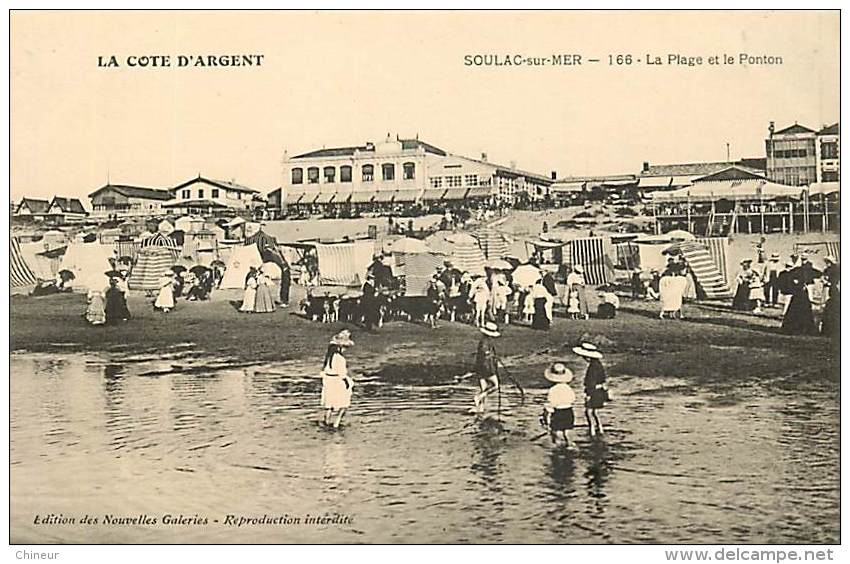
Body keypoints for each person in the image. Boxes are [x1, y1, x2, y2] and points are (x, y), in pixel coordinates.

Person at [320, 330, 355, 428]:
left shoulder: (329, 358)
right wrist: (348, 383)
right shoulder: (340, 358)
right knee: (344, 403)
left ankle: (326, 422)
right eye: (345, 347)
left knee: (329, 405)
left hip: (328, 381)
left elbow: (324, 371)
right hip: (337, 381)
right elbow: (342, 374)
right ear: (340, 347)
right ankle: (337, 422)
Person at [574, 342, 608, 437]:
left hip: (593, 392)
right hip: (600, 391)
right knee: (595, 411)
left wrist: (588, 395)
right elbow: (603, 379)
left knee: (588, 411)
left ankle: (592, 429)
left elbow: (591, 383)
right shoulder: (598, 365)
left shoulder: (592, 368)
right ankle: (600, 428)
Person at [540, 362, 576, 448]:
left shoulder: (553, 390)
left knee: (556, 433)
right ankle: (570, 445)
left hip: (558, 412)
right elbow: (572, 399)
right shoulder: (568, 388)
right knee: (567, 431)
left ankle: (558, 450)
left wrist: (546, 418)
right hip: (568, 411)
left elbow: (551, 405)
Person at [472, 321, 501, 413]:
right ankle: (479, 397)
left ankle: (480, 409)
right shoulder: (486, 342)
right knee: (496, 386)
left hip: (480, 367)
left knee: (483, 388)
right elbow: (485, 354)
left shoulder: (484, 341)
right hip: (487, 367)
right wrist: (493, 357)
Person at [781, 265, 817, 335]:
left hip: (800, 298)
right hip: (798, 298)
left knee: (800, 312)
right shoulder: (799, 282)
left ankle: (799, 328)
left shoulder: (800, 282)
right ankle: (799, 328)